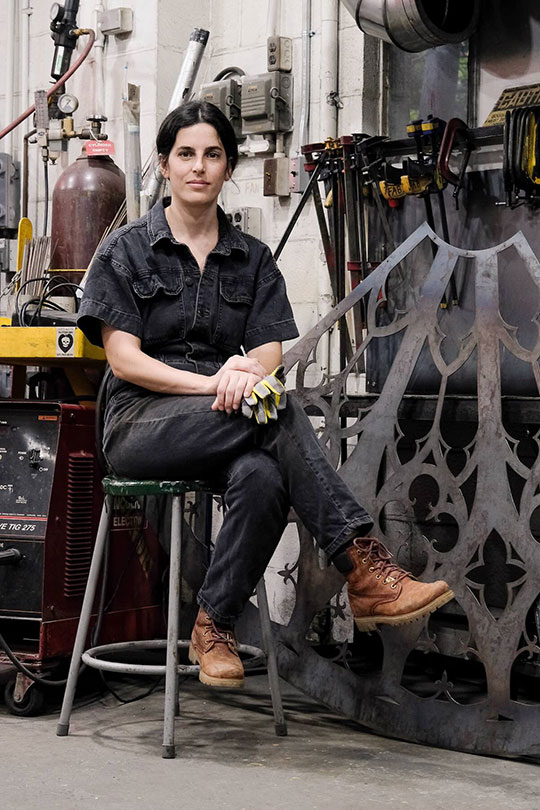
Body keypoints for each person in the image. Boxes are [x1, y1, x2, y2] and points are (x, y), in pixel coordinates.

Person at [78, 101, 453, 689]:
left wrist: (246, 374)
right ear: (164, 164)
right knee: (272, 409)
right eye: (185, 155)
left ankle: (214, 624)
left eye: (212, 155)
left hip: (230, 418)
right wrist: (218, 383)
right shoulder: (125, 251)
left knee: (263, 477)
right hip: (141, 423)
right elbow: (125, 359)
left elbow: (267, 356)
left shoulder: (252, 260)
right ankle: (361, 564)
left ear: (228, 167)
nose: (198, 167)